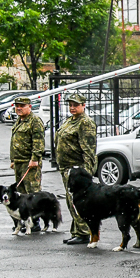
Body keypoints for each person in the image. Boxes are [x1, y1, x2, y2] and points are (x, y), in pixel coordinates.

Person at [56, 93, 97, 245]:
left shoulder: (85, 123)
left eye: (76, 105)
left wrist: (85, 172)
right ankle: (77, 231)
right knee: (71, 201)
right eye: (71, 105)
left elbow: (89, 149)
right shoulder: (71, 121)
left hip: (77, 168)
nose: (72, 107)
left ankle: (84, 232)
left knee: (78, 202)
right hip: (66, 167)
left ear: (83, 105)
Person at [9, 96, 45, 196]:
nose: (19, 108)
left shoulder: (35, 121)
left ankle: (37, 212)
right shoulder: (19, 120)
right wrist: (13, 160)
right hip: (19, 162)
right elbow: (14, 141)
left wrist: (35, 159)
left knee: (33, 193)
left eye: (22, 106)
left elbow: (38, 142)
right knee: (21, 193)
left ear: (29, 106)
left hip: (29, 163)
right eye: (17, 106)